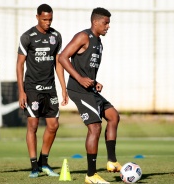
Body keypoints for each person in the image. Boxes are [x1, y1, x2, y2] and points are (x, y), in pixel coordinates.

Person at [59, 7, 121, 183]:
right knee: (95, 127)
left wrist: (94, 81)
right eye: (105, 23)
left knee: (113, 116)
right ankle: (91, 175)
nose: (108, 26)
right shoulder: (83, 36)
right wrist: (80, 78)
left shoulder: (99, 42)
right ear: (95, 22)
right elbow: (63, 57)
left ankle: (111, 161)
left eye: (109, 23)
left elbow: (86, 69)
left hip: (90, 89)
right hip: (78, 90)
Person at [16, 4, 68, 178]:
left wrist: (63, 88)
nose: (47, 22)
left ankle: (43, 162)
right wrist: (21, 91)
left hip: (50, 88)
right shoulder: (27, 37)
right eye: (44, 19)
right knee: (33, 125)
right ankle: (34, 166)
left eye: (50, 19)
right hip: (32, 89)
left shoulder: (56, 36)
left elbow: (58, 63)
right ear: (37, 17)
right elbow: (19, 65)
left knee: (53, 125)